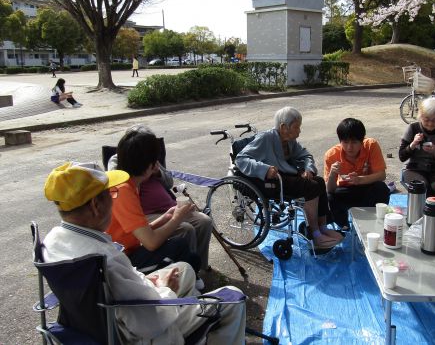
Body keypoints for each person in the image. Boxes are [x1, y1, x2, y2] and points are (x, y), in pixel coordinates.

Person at [42, 161, 246, 344]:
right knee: (233, 297)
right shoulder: (105, 258)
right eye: (111, 194)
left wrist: (150, 285)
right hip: (134, 335)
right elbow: (151, 321)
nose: (114, 200)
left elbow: (125, 285)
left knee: (184, 269)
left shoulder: (52, 241)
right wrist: (166, 291)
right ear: (96, 205)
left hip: (94, 322)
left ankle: (195, 323)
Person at [107, 124, 213, 271]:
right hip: (122, 262)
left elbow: (141, 232)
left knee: (200, 227)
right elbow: (151, 242)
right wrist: (176, 218)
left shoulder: (128, 184)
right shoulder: (123, 190)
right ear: (150, 165)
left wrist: (167, 217)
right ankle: (189, 279)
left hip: (127, 249)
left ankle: (195, 273)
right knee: (182, 244)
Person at [235, 106, 344, 249]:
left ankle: (323, 227)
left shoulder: (290, 141)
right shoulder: (266, 138)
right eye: (297, 127)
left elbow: (306, 155)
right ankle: (316, 235)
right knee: (310, 187)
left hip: (287, 175)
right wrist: (264, 169)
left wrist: (308, 169)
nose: (299, 131)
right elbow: (241, 159)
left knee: (318, 181)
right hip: (272, 180)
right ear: (283, 127)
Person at [324, 118, 390, 230]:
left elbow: (381, 175)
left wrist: (360, 180)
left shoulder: (371, 146)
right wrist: (332, 174)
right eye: (345, 142)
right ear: (340, 141)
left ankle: (375, 219)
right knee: (330, 196)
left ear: (362, 140)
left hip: (366, 188)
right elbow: (329, 189)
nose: (349, 147)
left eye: (354, 142)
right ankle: (343, 225)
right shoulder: (331, 155)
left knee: (381, 188)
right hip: (345, 190)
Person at [399, 97, 435, 202]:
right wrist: (413, 144)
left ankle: (434, 216)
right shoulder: (413, 128)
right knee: (420, 187)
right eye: (426, 119)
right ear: (421, 116)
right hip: (415, 168)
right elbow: (402, 156)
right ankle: (416, 214)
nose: (430, 124)